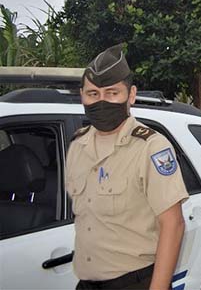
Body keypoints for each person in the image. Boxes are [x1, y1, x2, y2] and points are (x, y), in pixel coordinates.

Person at [65, 44, 188, 290]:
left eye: (112, 93)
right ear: (82, 96)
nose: (101, 101)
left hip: (134, 282)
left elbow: (173, 224)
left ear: (131, 95)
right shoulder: (77, 146)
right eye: (93, 94)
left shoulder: (151, 147)